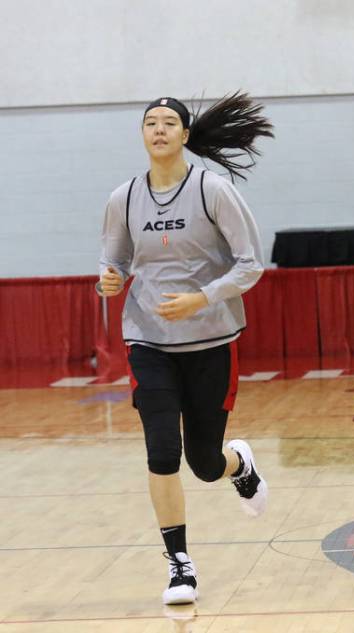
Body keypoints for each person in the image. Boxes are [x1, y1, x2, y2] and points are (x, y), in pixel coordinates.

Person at [98, 93, 274, 604]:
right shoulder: (122, 198)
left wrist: (203, 297)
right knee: (161, 450)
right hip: (148, 341)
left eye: (169, 122)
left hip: (211, 341)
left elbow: (250, 265)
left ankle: (237, 465)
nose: (158, 130)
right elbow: (115, 262)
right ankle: (180, 564)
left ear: (185, 135)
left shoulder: (212, 190)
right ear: (142, 134)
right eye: (150, 122)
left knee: (202, 461)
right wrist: (109, 282)